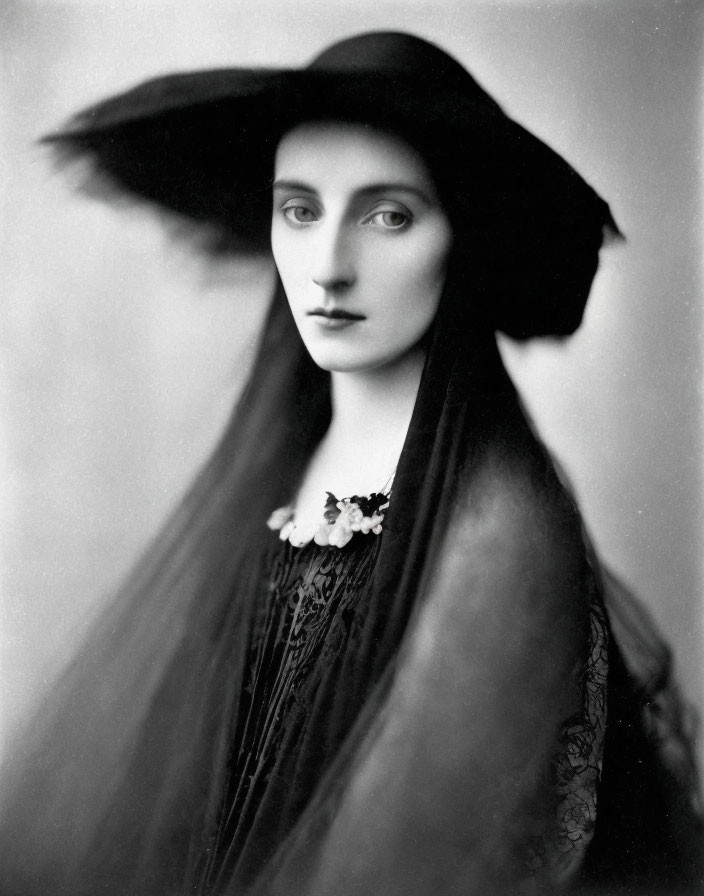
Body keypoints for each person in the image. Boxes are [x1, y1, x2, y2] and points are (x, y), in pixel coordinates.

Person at [1, 31, 702, 896]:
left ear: (464, 236)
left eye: (388, 216)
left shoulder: (503, 529)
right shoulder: (285, 458)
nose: (329, 267)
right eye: (299, 210)